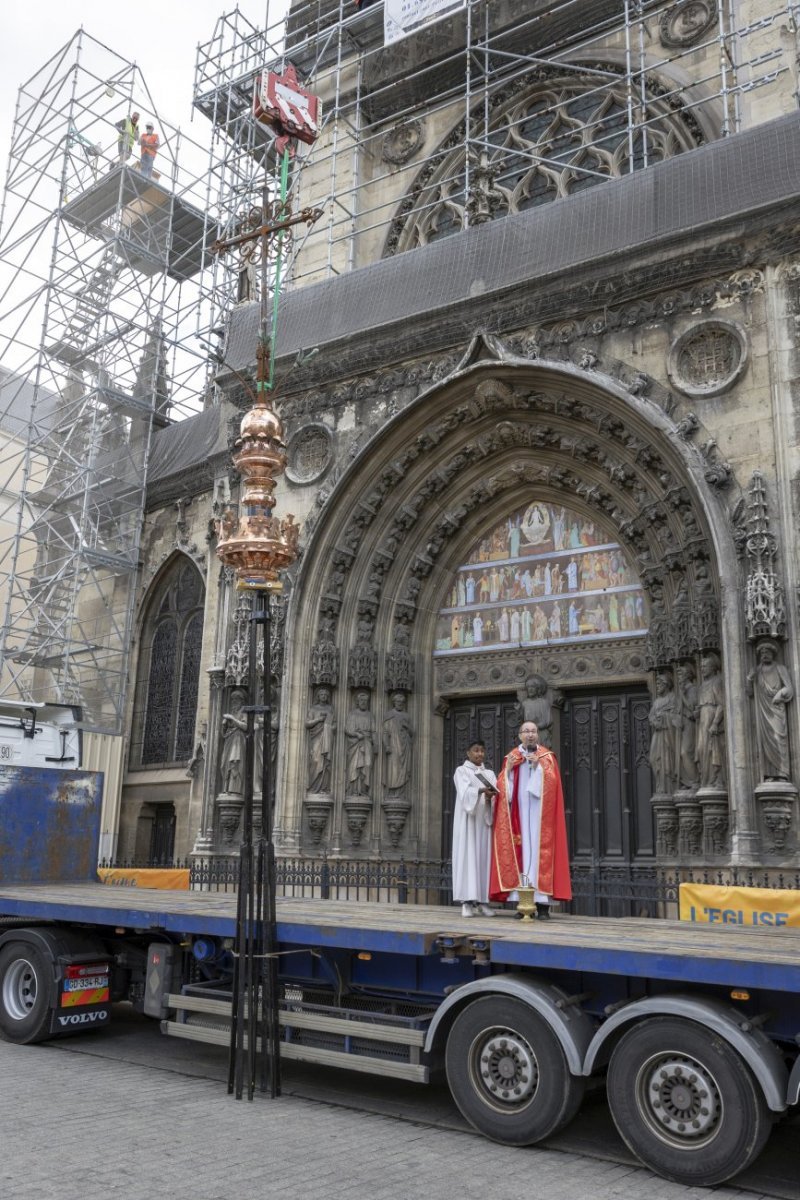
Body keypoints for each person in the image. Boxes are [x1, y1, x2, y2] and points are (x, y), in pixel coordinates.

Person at [489, 721, 572, 917]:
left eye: (533, 731)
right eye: (526, 731)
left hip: (540, 816)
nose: (530, 735)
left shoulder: (546, 757)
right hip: (518, 814)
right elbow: (503, 791)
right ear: (519, 735)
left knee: (538, 857)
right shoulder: (511, 757)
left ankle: (542, 906)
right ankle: (523, 904)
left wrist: (538, 768)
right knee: (522, 857)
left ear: (538, 735)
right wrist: (507, 770)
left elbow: (552, 785)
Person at [452, 741, 497, 918]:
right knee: (468, 857)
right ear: (468, 753)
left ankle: (483, 901)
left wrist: (489, 798)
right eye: (476, 751)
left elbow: (494, 796)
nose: (479, 754)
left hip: (483, 820)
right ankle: (467, 902)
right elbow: (464, 792)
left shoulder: (489, 773)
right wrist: (480, 790)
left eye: (482, 751)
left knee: (483, 859)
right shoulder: (461, 771)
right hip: (468, 821)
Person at [747, 641, 794, 782]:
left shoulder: (780, 668)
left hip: (776, 711)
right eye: (762, 653)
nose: (764, 655)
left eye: (767, 652)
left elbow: (789, 689)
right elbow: (749, 693)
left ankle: (782, 773)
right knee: (764, 742)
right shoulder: (757, 670)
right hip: (762, 712)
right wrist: (750, 679)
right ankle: (769, 774)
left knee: (777, 738)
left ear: (773, 654)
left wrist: (781, 693)